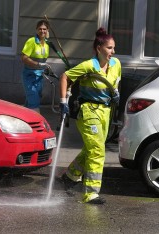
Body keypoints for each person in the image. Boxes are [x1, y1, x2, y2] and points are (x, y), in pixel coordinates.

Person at [59, 27, 121, 204]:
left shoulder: (116, 64)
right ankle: (91, 193)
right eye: (109, 48)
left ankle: (69, 177)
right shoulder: (88, 66)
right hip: (89, 112)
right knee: (97, 151)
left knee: (90, 149)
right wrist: (63, 102)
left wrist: (115, 92)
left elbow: (115, 82)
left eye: (113, 48)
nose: (113, 52)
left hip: (105, 112)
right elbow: (65, 77)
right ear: (99, 48)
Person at [21, 20, 51, 113]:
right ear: (36, 30)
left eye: (44, 29)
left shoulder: (47, 44)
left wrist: (44, 67)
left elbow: (43, 59)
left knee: (33, 99)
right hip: (30, 76)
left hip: (39, 77)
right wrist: (37, 64)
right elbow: (24, 57)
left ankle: (23, 118)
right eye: (40, 29)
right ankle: (35, 123)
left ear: (47, 30)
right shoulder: (32, 41)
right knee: (34, 101)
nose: (42, 31)